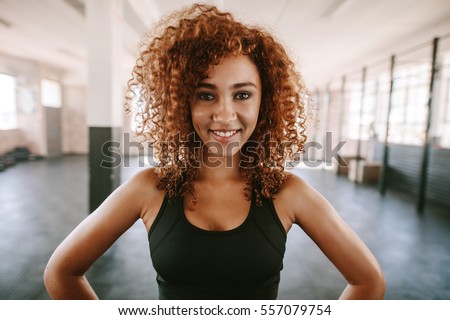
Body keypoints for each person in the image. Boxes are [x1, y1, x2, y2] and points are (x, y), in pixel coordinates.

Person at [44, 3, 385, 300]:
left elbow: (368, 282)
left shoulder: (289, 193)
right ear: (180, 103)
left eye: (242, 94)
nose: (224, 114)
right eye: (206, 94)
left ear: (265, 102)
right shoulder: (149, 188)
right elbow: (61, 274)